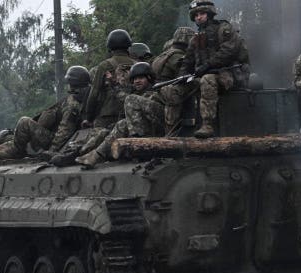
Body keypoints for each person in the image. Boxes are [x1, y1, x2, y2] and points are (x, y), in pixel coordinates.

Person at [0, 66, 91, 159]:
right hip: (52, 135)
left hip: (52, 140)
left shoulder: (73, 104)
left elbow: (65, 130)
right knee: (6, 137)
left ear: (72, 82)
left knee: (24, 122)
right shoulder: (80, 97)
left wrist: (51, 152)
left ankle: (17, 152)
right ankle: (0, 149)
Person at [180, 1, 250, 138]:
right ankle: (170, 130)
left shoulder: (223, 29)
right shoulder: (196, 38)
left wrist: (208, 65)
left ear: (210, 14)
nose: (198, 17)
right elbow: (188, 61)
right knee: (173, 89)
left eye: (202, 14)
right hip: (206, 77)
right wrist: (182, 77)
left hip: (229, 76)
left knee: (207, 79)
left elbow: (228, 51)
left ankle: (207, 125)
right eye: (195, 15)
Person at [76, 62, 165, 166]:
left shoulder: (156, 92)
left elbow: (127, 99)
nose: (137, 81)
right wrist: (113, 83)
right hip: (145, 129)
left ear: (149, 78)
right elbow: (124, 96)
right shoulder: (138, 94)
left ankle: (138, 144)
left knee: (130, 99)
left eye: (141, 78)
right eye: (135, 79)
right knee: (121, 124)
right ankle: (95, 156)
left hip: (158, 129)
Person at [84, 29, 137, 129]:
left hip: (109, 114)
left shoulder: (104, 65)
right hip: (133, 112)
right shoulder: (137, 64)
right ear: (128, 45)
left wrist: (89, 117)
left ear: (110, 46)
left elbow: (94, 93)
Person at [152, 27, 196, 133]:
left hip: (158, 94)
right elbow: (187, 74)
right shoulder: (177, 56)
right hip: (169, 98)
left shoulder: (163, 55)